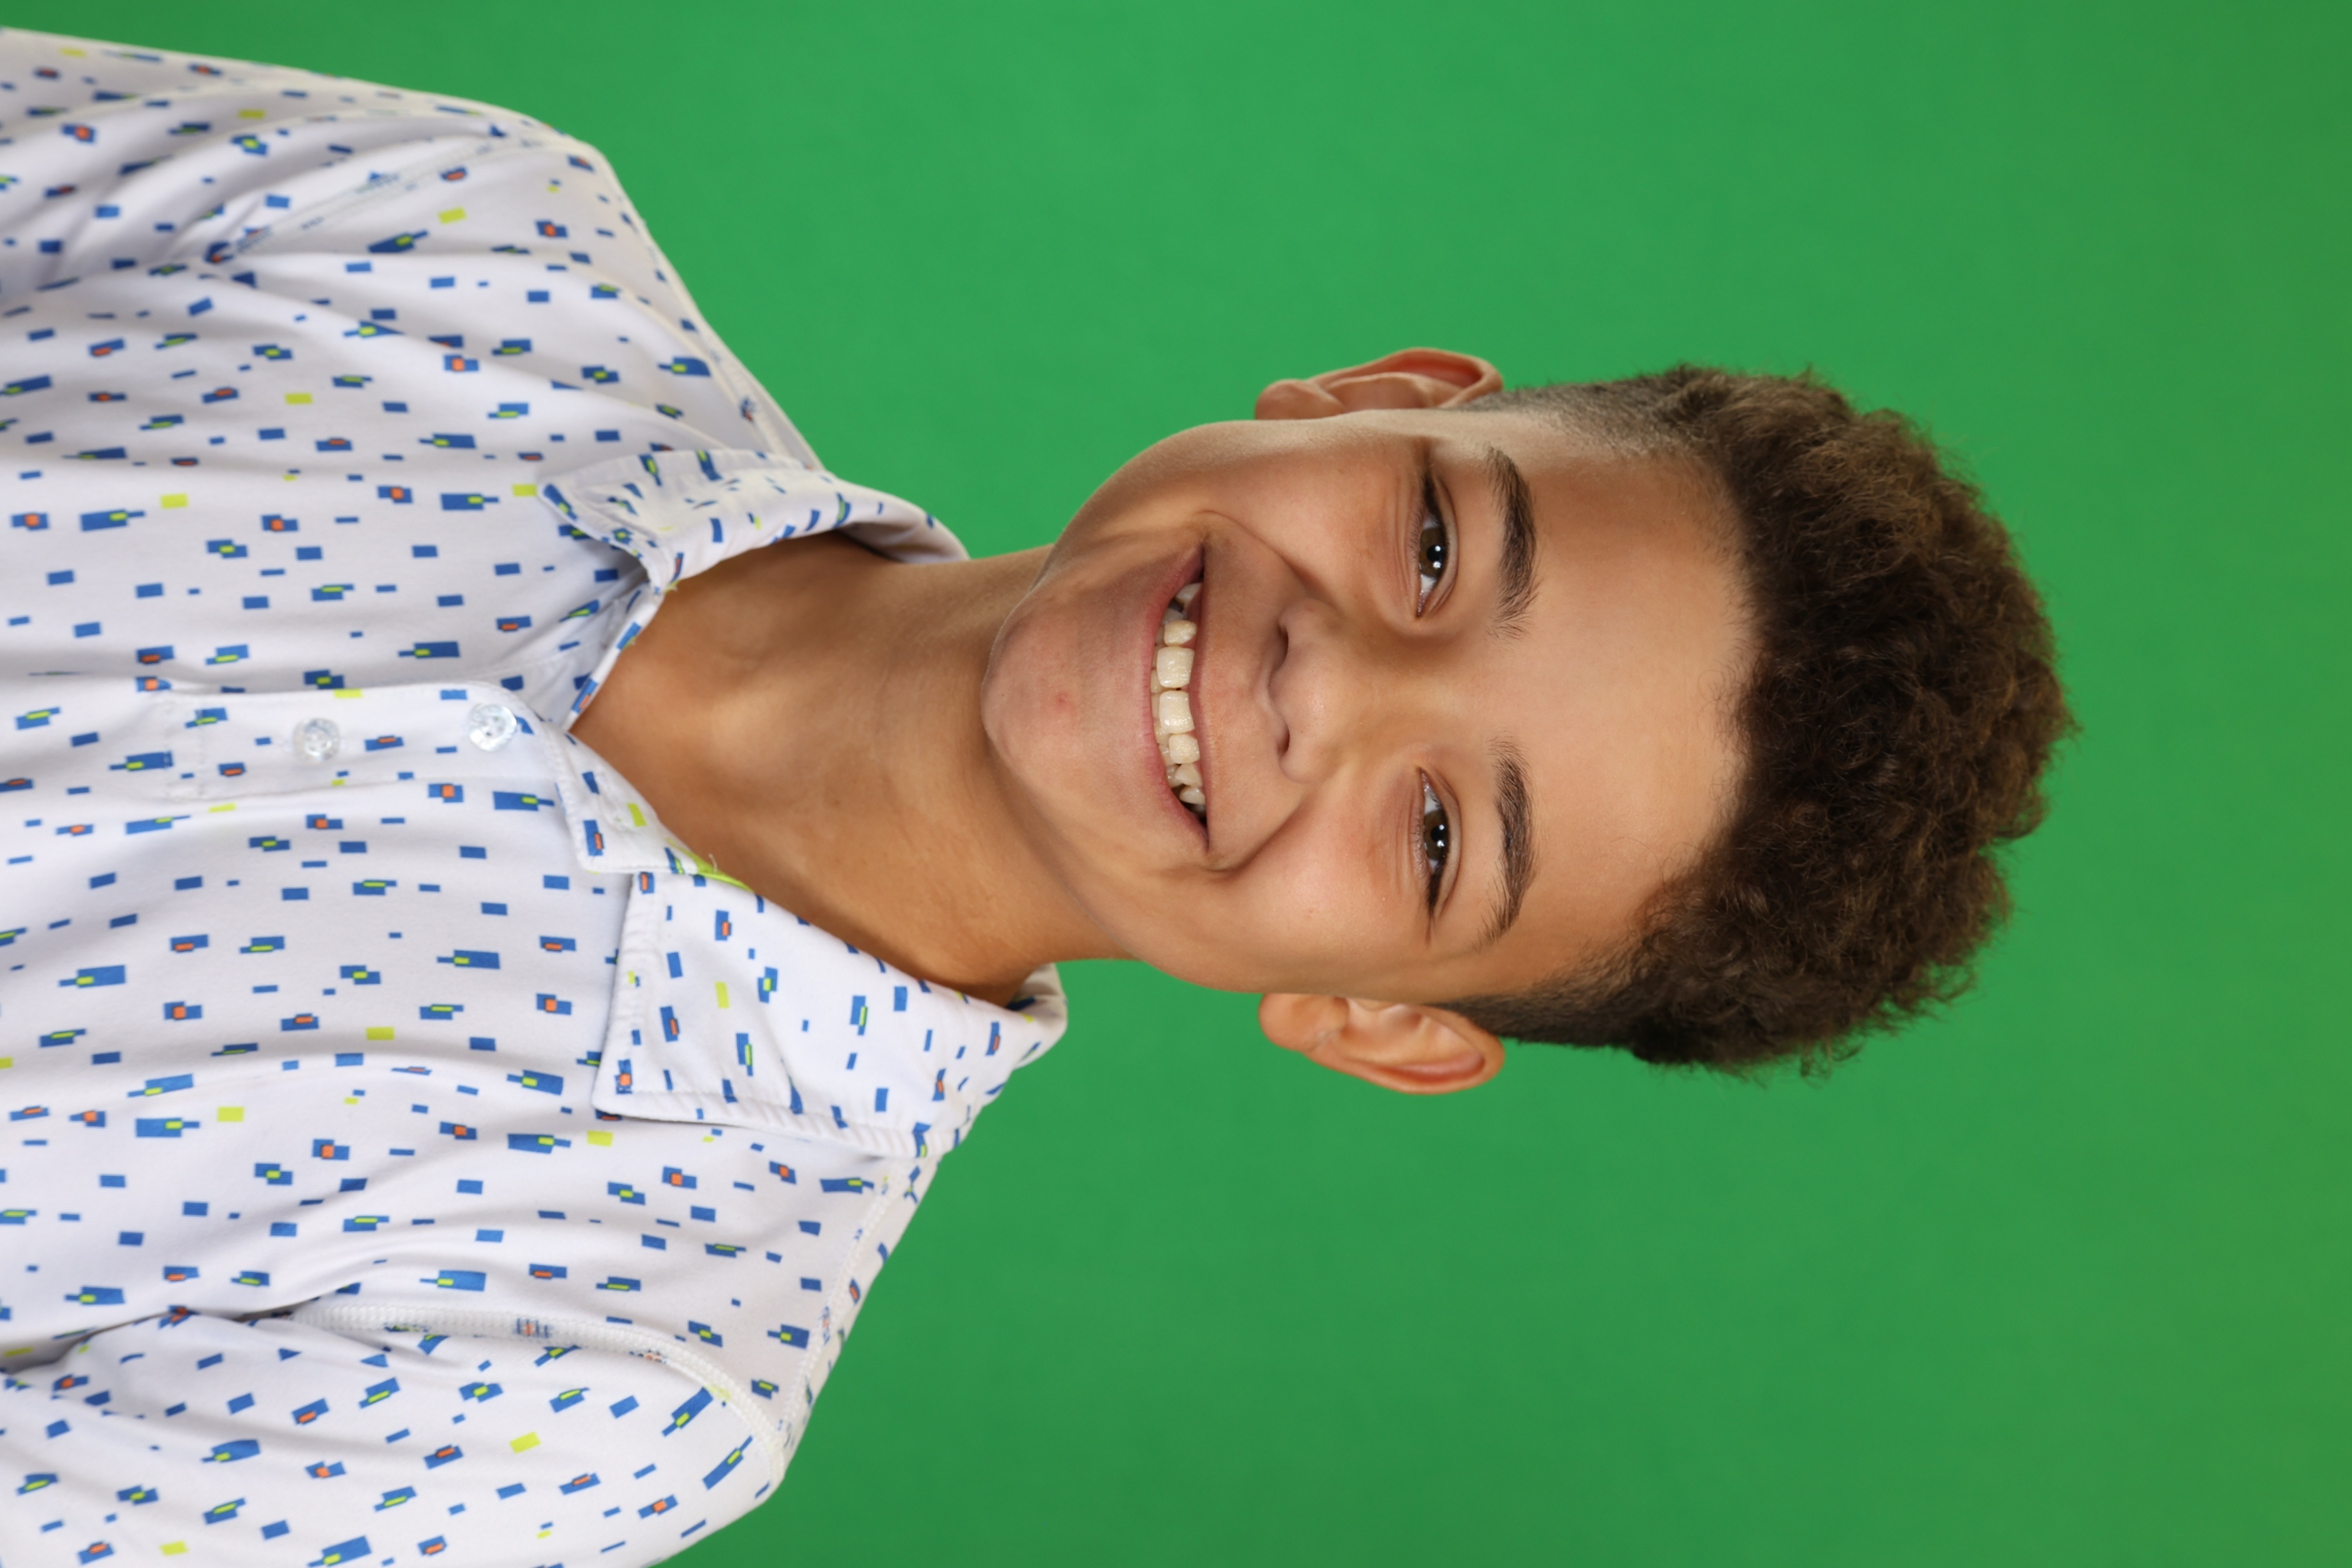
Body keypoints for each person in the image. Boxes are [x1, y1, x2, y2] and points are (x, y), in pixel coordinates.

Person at [0, 24, 2067, 1568]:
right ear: (1373, 397)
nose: (1324, 680)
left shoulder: (610, 1382)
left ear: (1379, 1019)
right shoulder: (465, 237)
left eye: (1442, 837)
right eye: (1438, 546)